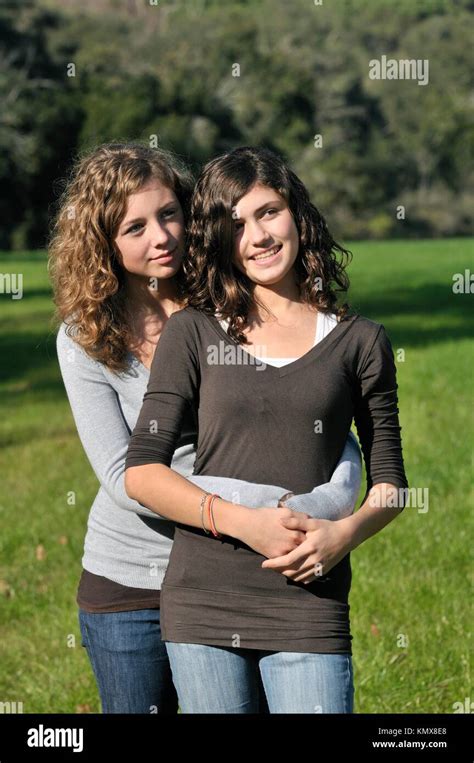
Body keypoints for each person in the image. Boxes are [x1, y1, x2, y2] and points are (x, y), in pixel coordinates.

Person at [49, 142, 362, 714]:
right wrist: (249, 517)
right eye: (134, 227)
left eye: (169, 214)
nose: (160, 237)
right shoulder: (85, 337)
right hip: (133, 585)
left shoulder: (232, 301)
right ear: (103, 243)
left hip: (240, 573)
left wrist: (320, 510)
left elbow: (318, 418)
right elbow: (125, 476)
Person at [125, 145, 409, 714]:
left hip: (310, 598)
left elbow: (391, 483)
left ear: (297, 215)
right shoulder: (192, 334)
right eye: (236, 225)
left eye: (268, 212)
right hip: (204, 601)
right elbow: (143, 473)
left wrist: (343, 535)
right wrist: (244, 524)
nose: (257, 236)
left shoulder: (361, 342)